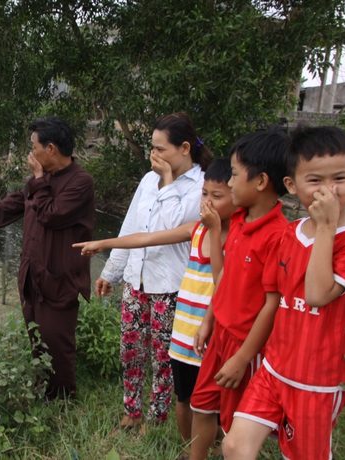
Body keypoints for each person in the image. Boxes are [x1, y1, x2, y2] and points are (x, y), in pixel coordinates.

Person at [223, 126, 345, 460]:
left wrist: (325, 227)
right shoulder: (290, 233)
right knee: (235, 445)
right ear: (292, 186)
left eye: (339, 178)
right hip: (275, 367)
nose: (328, 191)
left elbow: (318, 294)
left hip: (317, 380)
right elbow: (276, 297)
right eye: (315, 181)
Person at [75, 157, 236, 456]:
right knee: (174, 380)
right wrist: (106, 245)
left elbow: (222, 280)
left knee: (204, 386)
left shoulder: (229, 230)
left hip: (194, 310)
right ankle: (185, 442)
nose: (208, 202)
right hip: (179, 315)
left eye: (217, 196)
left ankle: (205, 440)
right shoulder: (192, 223)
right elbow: (144, 234)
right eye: (206, 195)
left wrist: (172, 185)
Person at [0, 116, 95, 399]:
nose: (31, 154)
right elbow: (14, 205)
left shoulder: (80, 182)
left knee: (57, 343)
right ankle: (42, 391)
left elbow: (49, 214)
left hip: (59, 278)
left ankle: (62, 402)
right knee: (37, 339)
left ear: (51, 149)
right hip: (33, 275)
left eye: (34, 147)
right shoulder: (42, 181)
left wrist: (37, 179)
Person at [95, 112, 213, 432]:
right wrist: (112, 271)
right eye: (152, 148)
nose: (154, 155)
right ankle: (132, 410)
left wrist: (170, 183)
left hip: (171, 283)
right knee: (131, 349)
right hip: (138, 278)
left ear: (184, 148)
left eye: (161, 149)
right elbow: (132, 228)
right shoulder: (149, 180)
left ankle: (156, 418)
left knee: (163, 357)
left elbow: (178, 226)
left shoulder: (201, 184)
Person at [189, 128, 290, 460]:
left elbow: (272, 305)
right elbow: (223, 279)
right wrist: (210, 322)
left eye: (234, 175)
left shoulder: (278, 236)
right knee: (201, 404)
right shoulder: (241, 221)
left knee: (234, 427)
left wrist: (243, 357)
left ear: (260, 182)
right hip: (220, 335)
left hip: (243, 344)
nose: (230, 184)